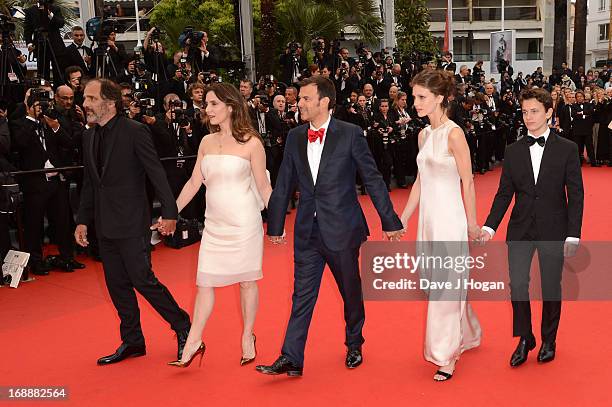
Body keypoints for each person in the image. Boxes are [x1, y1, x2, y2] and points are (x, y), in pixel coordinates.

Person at [256, 76, 404, 377]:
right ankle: (292, 356)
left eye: (306, 99)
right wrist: (275, 225)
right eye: (299, 98)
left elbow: (372, 178)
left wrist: (389, 220)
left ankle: (354, 342)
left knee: (350, 290)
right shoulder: (296, 136)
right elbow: (284, 181)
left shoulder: (350, 134)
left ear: (324, 101)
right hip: (307, 232)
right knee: (301, 295)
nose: (300, 103)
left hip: (342, 228)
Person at [75, 78, 191, 365]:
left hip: (131, 221)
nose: (85, 104)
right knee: (116, 284)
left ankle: (182, 325)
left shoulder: (135, 131)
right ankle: (133, 340)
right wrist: (82, 220)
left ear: (109, 102)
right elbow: (90, 183)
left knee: (143, 279)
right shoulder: (88, 136)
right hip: (104, 223)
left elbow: (156, 173)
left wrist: (169, 213)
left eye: (90, 98)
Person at [164, 83, 272, 367]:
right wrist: (171, 212)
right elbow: (193, 183)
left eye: (213, 104)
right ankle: (194, 341)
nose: (207, 109)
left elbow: (263, 186)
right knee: (205, 283)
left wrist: (277, 224)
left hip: (244, 223)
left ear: (231, 106)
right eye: (207, 104)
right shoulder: (206, 142)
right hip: (214, 225)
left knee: (247, 282)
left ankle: (248, 336)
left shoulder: (252, 143)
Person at [481, 88, 584, 367]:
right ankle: (525, 338)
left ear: (549, 112)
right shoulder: (513, 151)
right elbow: (504, 193)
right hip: (520, 229)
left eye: (535, 111)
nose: (528, 117)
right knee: (518, 286)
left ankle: (549, 339)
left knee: (551, 286)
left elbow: (576, 194)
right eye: (525, 111)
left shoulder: (568, 149)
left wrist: (573, 233)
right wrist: (490, 227)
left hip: (554, 228)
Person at [399, 69, 482, 381]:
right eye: (414, 96)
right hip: (428, 222)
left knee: (445, 289)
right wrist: (403, 217)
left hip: (450, 220)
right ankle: (470, 333)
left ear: (440, 98)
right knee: (438, 285)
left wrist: (472, 223)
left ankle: (445, 354)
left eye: (421, 97)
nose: (414, 102)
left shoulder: (454, 134)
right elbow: (421, 181)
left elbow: (468, 181)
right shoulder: (423, 135)